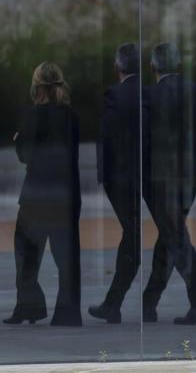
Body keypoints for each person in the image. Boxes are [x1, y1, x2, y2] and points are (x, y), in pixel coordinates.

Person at [142, 42, 196, 325]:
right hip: (191, 178)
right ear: (179, 65)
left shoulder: (148, 96)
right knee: (170, 235)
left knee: (174, 236)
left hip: (160, 179)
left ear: (153, 67)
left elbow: (144, 143)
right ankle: (148, 301)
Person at [4, 62, 82, 327]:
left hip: (37, 194)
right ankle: (68, 313)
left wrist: (18, 140)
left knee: (26, 252)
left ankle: (29, 306)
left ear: (36, 86)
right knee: (66, 258)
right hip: (65, 193)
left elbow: (26, 155)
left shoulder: (32, 116)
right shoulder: (71, 116)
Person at [89, 43, 144, 324]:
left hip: (123, 177)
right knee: (164, 237)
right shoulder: (151, 92)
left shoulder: (114, 94)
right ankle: (119, 302)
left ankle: (115, 302)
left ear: (117, 67)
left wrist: (106, 177)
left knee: (133, 238)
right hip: (151, 175)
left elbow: (108, 139)